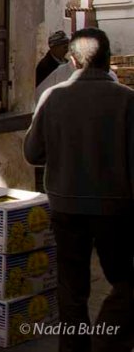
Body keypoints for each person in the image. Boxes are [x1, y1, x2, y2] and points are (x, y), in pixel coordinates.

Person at [24, 27, 134, 352]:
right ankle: (109, 342)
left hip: (66, 208)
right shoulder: (128, 100)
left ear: (71, 61)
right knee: (125, 281)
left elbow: (32, 153)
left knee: (72, 288)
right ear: (109, 60)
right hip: (116, 211)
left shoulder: (53, 97)